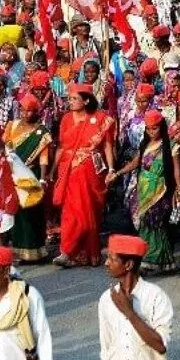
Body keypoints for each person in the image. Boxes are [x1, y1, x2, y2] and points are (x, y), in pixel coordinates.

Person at [98, 235, 178, 360]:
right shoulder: (106, 299)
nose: (106, 263)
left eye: (112, 259)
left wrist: (129, 312)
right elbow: (106, 347)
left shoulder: (156, 296)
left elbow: (160, 346)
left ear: (128, 264)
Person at [113, 110, 180, 274]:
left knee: (156, 224)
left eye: (155, 128)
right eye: (149, 129)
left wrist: (179, 192)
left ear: (162, 128)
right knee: (145, 223)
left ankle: (151, 259)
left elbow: (177, 172)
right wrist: (117, 173)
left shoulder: (172, 147)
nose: (152, 132)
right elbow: (135, 163)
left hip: (160, 191)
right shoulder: (145, 145)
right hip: (144, 189)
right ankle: (165, 262)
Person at [53, 87, 114, 268]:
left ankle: (88, 253)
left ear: (86, 100)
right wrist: (52, 171)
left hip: (90, 171)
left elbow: (108, 146)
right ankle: (67, 251)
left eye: (74, 98)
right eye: (69, 98)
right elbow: (61, 147)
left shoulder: (101, 119)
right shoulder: (65, 119)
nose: (69, 101)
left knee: (88, 211)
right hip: (69, 170)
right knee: (70, 212)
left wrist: (111, 169)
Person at [3, 96, 52, 262]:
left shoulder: (42, 132)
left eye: (29, 110)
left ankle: (36, 250)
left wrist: (43, 179)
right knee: (17, 212)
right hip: (14, 174)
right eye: (23, 110)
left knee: (32, 212)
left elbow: (44, 158)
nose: (25, 114)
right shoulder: (12, 125)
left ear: (36, 112)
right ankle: (18, 250)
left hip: (32, 175)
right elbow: (5, 147)